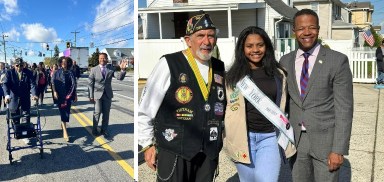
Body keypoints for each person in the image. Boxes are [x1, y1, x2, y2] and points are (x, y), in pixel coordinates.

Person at [138, 12, 226, 181]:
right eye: (200, 35)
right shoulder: (169, 64)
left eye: (211, 36)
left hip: (208, 152)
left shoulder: (220, 68)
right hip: (175, 150)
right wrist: (148, 144)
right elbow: (145, 110)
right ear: (187, 40)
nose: (206, 42)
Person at [279, 9, 353, 182]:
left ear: (318, 29)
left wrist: (338, 149)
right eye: (301, 28)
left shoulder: (337, 61)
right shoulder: (285, 61)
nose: (306, 32)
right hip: (296, 140)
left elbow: (344, 109)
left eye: (311, 27)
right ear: (294, 31)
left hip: (326, 142)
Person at [223, 26, 295, 182]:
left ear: (267, 47)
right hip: (242, 138)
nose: (255, 50)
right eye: (249, 46)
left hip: (269, 138)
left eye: (260, 45)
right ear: (242, 49)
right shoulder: (232, 77)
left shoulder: (279, 74)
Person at [88, 53, 127, 137]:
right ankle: (94, 130)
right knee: (97, 112)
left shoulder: (110, 68)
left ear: (107, 59)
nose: (102, 60)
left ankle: (103, 130)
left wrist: (122, 70)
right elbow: (90, 84)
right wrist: (91, 96)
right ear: (98, 59)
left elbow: (119, 77)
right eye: (101, 58)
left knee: (106, 114)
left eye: (104, 58)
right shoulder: (93, 70)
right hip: (97, 95)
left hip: (107, 95)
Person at [2, 58, 38, 123]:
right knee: (15, 120)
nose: (19, 67)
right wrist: (7, 95)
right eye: (17, 65)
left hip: (25, 97)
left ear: (23, 65)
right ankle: (17, 132)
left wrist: (34, 94)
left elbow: (32, 84)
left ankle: (25, 131)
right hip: (13, 98)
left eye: (21, 65)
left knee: (26, 118)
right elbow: (5, 84)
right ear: (14, 65)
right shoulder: (9, 72)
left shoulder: (28, 72)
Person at [51, 57, 77, 142]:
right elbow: (53, 83)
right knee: (63, 111)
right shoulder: (56, 72)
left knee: (67, 111)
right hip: (60, 95)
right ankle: (65, 131)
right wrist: (54, 92)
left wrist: (75, 94)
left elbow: (74, 84)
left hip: (68, 95)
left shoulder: (71, 72)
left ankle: (63, 123)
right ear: (60, 63)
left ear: (68, 63)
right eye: (62, 62)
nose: (64, 63)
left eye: (65, 62)